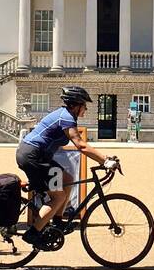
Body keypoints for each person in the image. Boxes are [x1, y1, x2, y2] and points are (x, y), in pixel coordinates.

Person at [16, 85, 117, 245]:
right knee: (58, 196)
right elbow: (81, 145)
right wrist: (105, 160)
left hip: (38, 155)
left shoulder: (66, 116)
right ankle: (33, 234)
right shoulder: (66, 118)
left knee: (68, 179)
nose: (85, 108)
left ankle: (57, 221)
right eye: (84, 105)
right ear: (76, 105)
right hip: (33, 156)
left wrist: (104, 158)